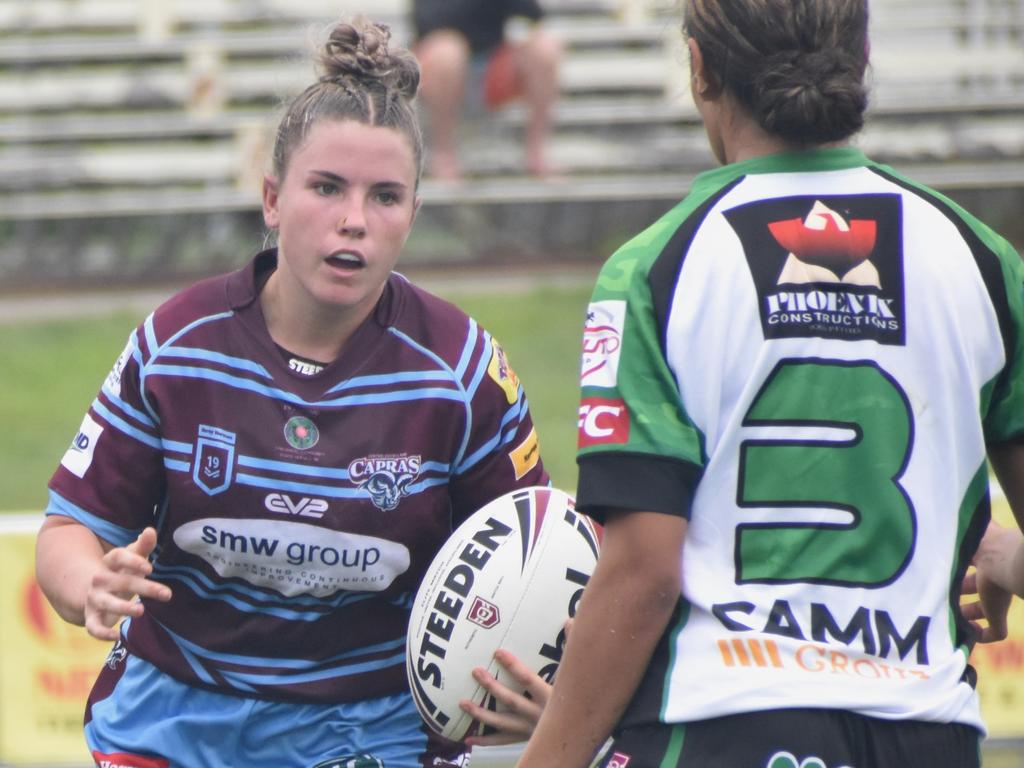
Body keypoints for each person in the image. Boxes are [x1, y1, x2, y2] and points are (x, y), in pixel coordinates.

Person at [511, 1, 1024, 766]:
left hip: (726, 725)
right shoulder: (983, 260)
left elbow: (644, 573)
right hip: (928, 731)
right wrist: (1007, 554)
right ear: (862, 56)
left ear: (699, 69)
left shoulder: (656, 270)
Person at [34, 17, 548, 768]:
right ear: (272, 199)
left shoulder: (463, 373)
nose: (353, 221)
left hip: (373, 732)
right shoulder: (179, 344)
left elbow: (537, 562)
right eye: (327, 188)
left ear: (413, 215)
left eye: (385, 197)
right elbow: (65, 534)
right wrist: (92, 586)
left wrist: (531, 681)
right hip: (173, 719)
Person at [412, 0, 562, 180]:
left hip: (494, 66)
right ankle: (444, 155)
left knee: (545, 47)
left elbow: (534, 14)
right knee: (447, 51)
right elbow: (428, 22)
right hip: (442, 68)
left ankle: (536, 152)